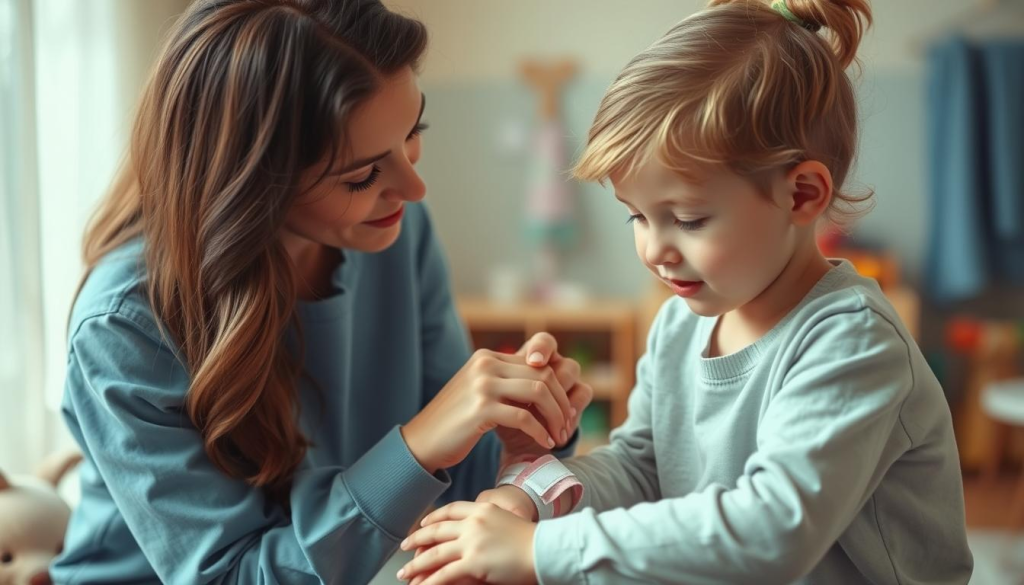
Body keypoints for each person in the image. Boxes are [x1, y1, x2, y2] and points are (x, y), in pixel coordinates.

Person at [399, 1, 974, 583]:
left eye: (689, 220)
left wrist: (538, 552)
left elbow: (770, 534)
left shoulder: (852, 344)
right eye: (637, 218)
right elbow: (641, 465)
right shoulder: (682, 323)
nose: (654, 251)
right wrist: (532, 499)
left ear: (802, 195)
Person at [50, 1, 592, 583]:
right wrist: (417, 445)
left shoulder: (398, 233)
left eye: (413, 133)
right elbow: (232, 575)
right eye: (361, 175)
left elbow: (448, 486)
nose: (413, 188)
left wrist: (513, 431)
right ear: (253, 180)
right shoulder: (125, 325)